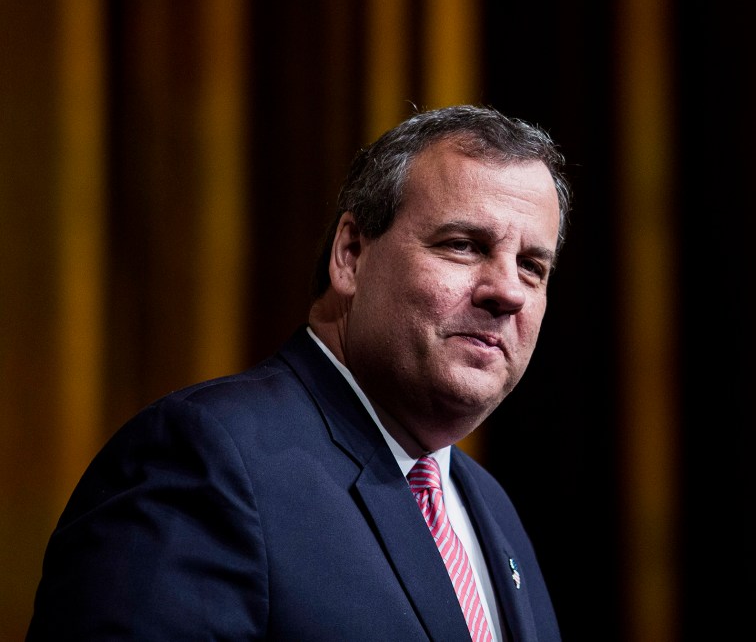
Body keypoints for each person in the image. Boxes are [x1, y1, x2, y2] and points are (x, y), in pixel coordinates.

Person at [28, 105, 570, 640]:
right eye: (463, 245)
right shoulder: (207, 459)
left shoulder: (492, 510)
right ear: (351, 254)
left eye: (532, 266)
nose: (507, 291)